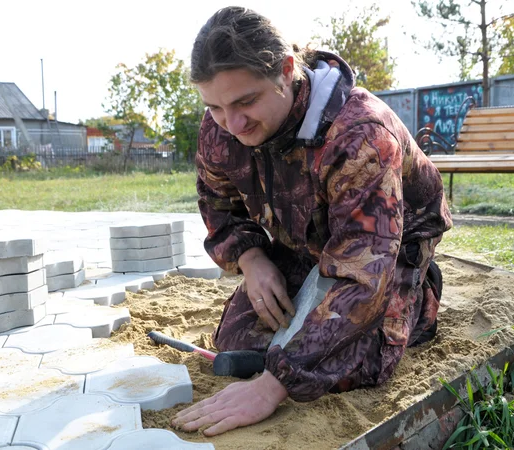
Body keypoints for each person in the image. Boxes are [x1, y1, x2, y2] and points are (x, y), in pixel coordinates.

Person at [172, 6, 453, 437]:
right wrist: (250, 260)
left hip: (388, 251)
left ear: (286, 70)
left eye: (246, 101)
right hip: (309, 243)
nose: (233, 124)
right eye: (215, 107)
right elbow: (217, 205)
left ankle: (419, 298)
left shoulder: (360, 135)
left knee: (361, 360)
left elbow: (362, 275)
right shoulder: (223, 128)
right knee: (238, 339)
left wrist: (271, 387)